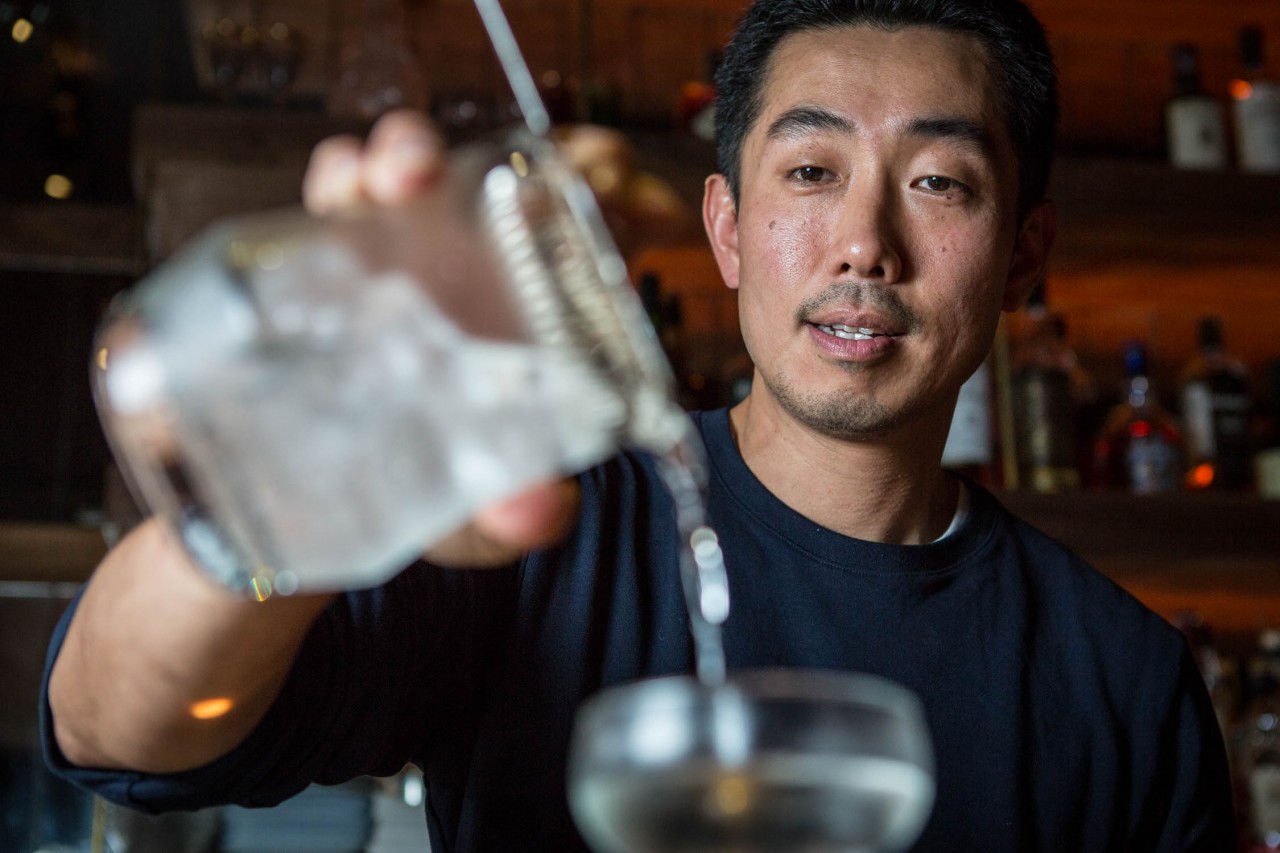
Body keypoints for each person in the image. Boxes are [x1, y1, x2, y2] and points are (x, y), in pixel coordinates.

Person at [42, 0, 1236, 850]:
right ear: (723, 228)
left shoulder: (1118, 677)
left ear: (1024, 250)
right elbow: (119, 733)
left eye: (939, 181)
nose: (864, 244)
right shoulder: (538, 522)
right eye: (809, 172)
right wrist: (283, 487)